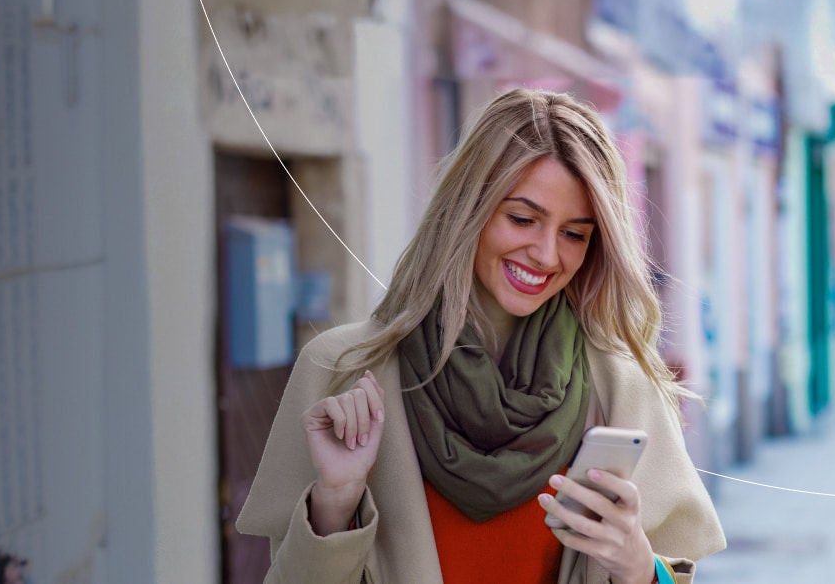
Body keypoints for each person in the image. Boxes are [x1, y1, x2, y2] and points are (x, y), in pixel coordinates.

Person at [235, 89, 725, 584]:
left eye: (575, 233)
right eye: (522, 219)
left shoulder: (622, 386)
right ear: (469, 206)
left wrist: (640, 567)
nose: (546, 254)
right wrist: (336, 501)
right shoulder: (343, 369)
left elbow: (675, 573)